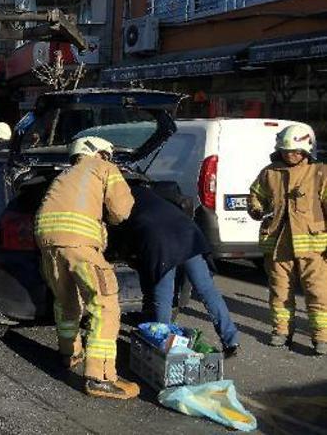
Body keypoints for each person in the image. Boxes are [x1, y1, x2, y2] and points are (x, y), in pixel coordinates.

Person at [35, 136, 139, 399]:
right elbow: (121, 210)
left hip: (47, 243)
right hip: (79, 244)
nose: (109, 159)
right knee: (105, 304)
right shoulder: (104, 168)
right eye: (108, 154)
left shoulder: (63, 176)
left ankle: (70, 354)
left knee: (66, 300)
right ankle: (100, 377)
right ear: (99, 153)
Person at [121, 185, 240, 358]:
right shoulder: (153, 192)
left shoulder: (123, 201)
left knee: (163, 297)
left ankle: (163, 346)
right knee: (207, 291)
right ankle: (231, 340)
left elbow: (129, 240)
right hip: (189, 234)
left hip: (163, 242)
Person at [248, 124, 327, 355]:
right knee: (280, 291)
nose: (289, 154)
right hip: (277, 244)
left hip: (314, 246)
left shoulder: (320, 173)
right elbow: (256, 195)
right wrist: (255, 208)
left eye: (294, 151)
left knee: (318, 292)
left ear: (306, 150)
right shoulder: (269, 172)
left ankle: (321, 337)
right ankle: (281, 331)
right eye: (284, 150)